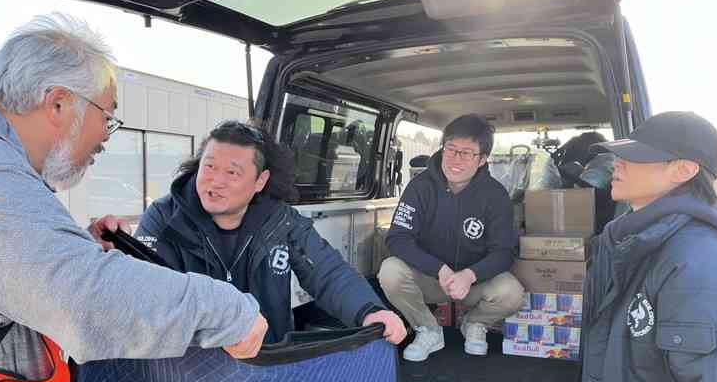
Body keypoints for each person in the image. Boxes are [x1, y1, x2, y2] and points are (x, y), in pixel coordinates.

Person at [0, 14, 266, 382]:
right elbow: (87, 298)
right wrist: (229, 312)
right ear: (57, 103)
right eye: (107, 115)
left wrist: (70, 244)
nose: (105, 136)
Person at [571, 111, 717, 382]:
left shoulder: (698, 264)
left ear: (682, 170)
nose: (619, 162)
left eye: (637, 155)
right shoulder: (626, 243)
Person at [135, 120, 407, 345]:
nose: (216, 181)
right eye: (209, 167)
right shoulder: (163, 219)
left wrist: (370, 311)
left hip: (267, 360)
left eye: (232, 172)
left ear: (260, 181)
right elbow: (148, 296)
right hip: (192, 367)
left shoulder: (281, 221)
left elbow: (327, 271)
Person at [378, 114, 524, 360]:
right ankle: (428, 329)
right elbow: (398, 238)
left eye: (467, 153)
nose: (456, 159)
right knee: (390, 271)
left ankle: (475, 323)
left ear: (482, 159)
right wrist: (440, 270)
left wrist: (470, 275)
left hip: (473, 284)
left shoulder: (495, 195)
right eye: (451, 149)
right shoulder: (420, 187)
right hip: (430, 279)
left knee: (512, 292)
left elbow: (504, 251)